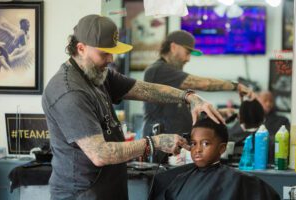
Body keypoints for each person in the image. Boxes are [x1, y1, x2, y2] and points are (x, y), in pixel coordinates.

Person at [42, 14, 225, 200]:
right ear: (81, 48)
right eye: (104, 53)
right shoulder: (69, 91)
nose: (111, 58)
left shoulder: (97, 73)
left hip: (109, 188)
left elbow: (144, 89)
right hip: (82, 194)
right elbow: (100, 154)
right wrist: (155, 143)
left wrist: (188, 97)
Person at [143, 30, 253, 137]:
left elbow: (182, 114)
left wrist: (219, 112)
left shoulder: (173, 76)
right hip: (160, 145)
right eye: (187, 53)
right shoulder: (158, 70)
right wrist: (236, 86)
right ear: (173, 47)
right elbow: (204, 84)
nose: (188, 59)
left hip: (176, 145)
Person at [150, 117, 280, 200]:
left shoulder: (239, 180)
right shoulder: (180, 178)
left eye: (205, 143)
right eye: (194, 143)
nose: (198, 149)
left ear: (222, 148)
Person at [228, 91, 290, 164]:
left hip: (273, 163)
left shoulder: (282, 121)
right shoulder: (248, 118)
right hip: (246, 163)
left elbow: (284, 141)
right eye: (265, 100)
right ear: (257, 101)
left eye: (271, 101)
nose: (268, 104)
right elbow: (231, 136)